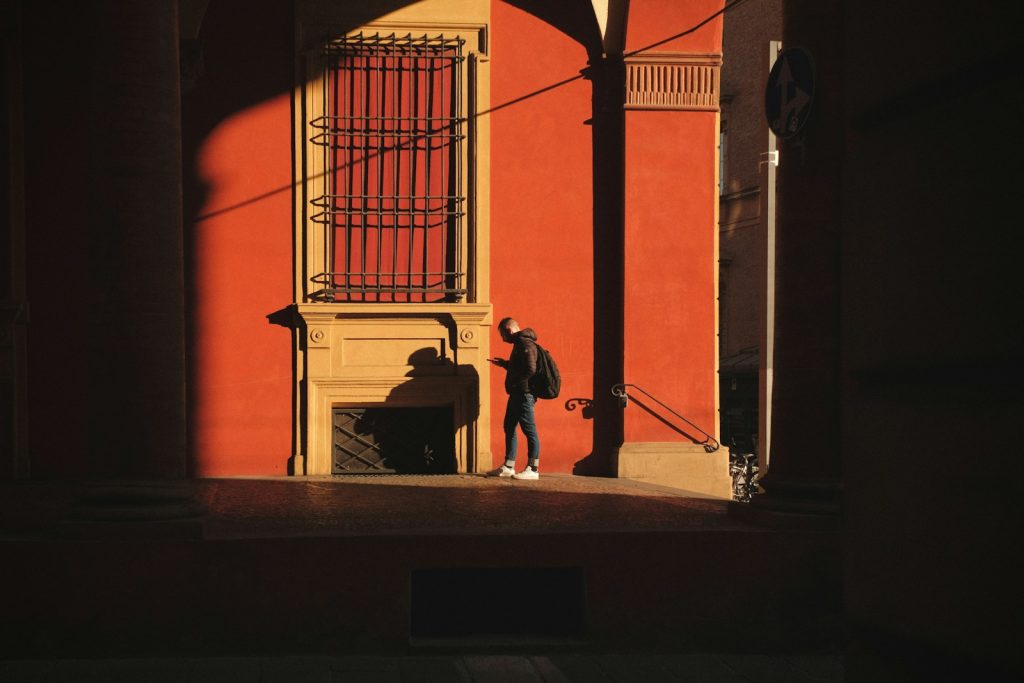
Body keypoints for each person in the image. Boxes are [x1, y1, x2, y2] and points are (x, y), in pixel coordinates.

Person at [487, 317, 541, 480]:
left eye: (502, 334)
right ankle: (508, 466)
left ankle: (533, 468)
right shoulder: (519, 344)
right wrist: (504, 364)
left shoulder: (525, 343)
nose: (503, 339)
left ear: (509, 330)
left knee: (529, 430)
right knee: (509, 426)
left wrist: (518, 383)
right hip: (517, 394)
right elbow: (521, 366)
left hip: (524, 394)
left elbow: (531, 368)